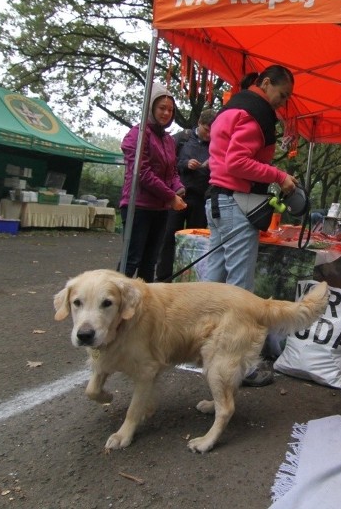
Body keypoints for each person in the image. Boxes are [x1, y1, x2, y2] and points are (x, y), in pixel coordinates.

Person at [204, 64, 299, 386]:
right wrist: (279, 176)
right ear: (267, 83)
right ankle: (239, 368)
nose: (282, 103)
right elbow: (238, 161)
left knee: (210, 284)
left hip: (216, 199)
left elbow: (222, 158)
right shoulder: (256, 114)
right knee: (238, 292)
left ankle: (201, 352)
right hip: (236, 202)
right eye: (282, 95)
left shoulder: (233, 107)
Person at [119, 83, 186, 282]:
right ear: (151, 108)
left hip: (160, 209)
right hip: (138, 206)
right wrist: (170, 195)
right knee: (131, 260)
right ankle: (115, 304)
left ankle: (145, 309)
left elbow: (172, 171)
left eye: (170, 110)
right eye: (162, 108)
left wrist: (178, 187)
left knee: (150, 262)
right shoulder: (137, 134)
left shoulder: (168, 140)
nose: (166, 113)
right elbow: (143, 173)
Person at [156, 108, 216, 282]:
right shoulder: (182, 139)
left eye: (212, 132)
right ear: (199, 124)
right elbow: (167, 162)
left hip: (200, 198)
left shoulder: (216, 145)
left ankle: (189, 280)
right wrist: (185, 163)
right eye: (206, 130)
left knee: (195, 242)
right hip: (178, 196)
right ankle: (163, 278)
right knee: (169, 238)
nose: (209, 135)